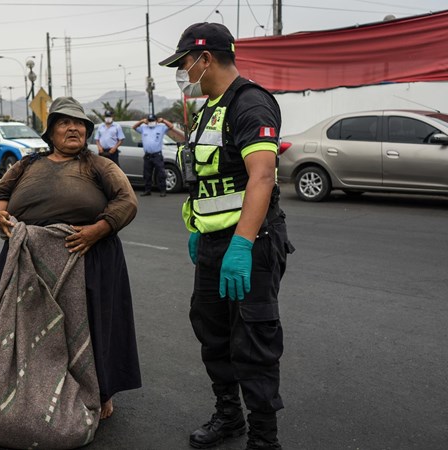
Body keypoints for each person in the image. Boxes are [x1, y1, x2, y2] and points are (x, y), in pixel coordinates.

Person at [159, 23, 293, 449]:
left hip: (248, 245)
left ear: (206, 59)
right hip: (213, 245)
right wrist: (199, 229)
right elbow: (206, 181)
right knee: (213, 336)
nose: (182, 71)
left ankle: (264, 439)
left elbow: (262, 177)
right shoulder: (207, 110)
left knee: (253, 342)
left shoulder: (249, 103)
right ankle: (229, 416)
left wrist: (241, 243)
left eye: (184, 63)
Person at [0, 97, 141, 420]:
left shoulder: (99, 165)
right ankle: (24, 388)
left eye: (80, 124)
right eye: (64, 122)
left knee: (92, 326)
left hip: (86, 254)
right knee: (26, 328)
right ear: (50, 132)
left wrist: (96, 230)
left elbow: (126, 201)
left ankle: (100, 393)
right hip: (29, 257)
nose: (73, 128)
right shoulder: (28, 164)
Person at [132, 114, 184, 197]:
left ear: (156, 121)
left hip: (157, 155)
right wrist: (142, 121)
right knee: (147, 174)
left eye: (153, 121)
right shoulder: (144, 128)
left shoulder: (161, 127)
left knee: (161, 173)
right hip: (148, 155)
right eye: (150, 121)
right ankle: (147, 190)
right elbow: (133, 127)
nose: (151, 122)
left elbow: (171, 126)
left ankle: (163, 190)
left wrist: (163, 120)